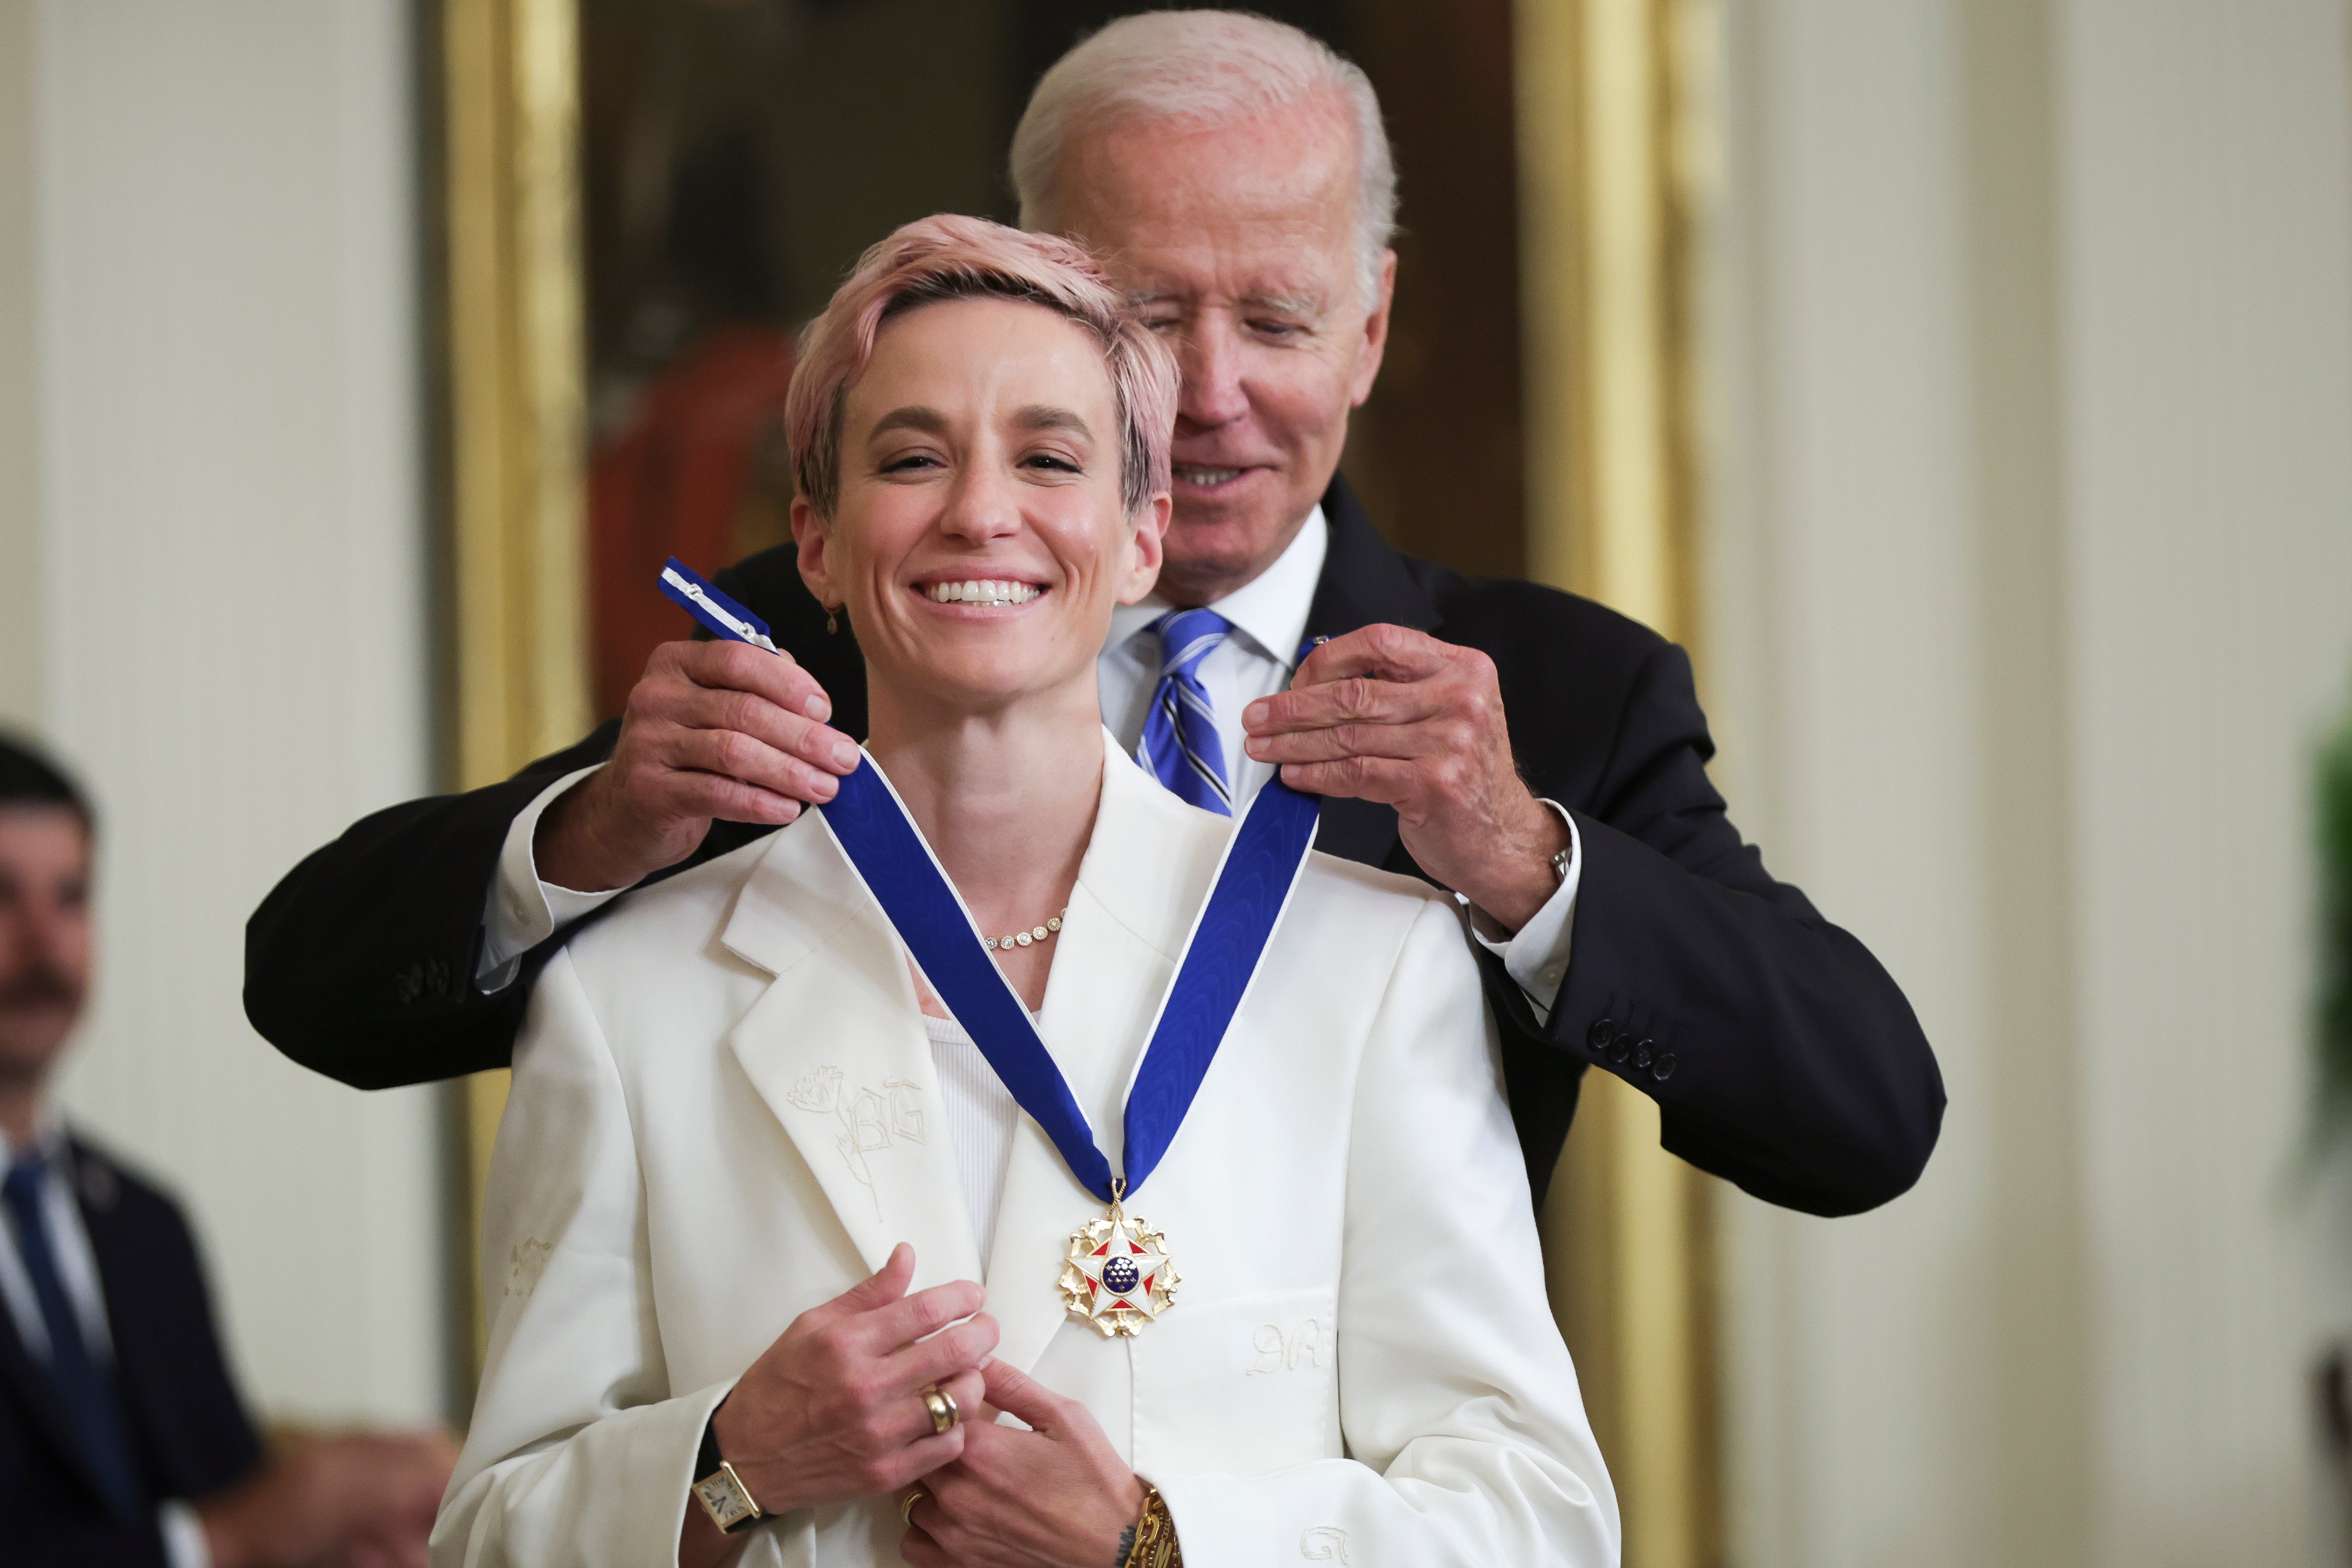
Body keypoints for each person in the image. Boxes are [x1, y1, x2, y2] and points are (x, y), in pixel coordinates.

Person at [248, 11, 1941, 1217]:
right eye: (1142, 315)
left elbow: (1864, 1116)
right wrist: (599, 829)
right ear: (1032, 291)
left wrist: (1520, 855)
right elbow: (312, 986)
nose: (1206, 398)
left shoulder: (1559, 691)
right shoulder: (827, 630)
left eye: (1275, 322)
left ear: (1369, 329)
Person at [433, 215, 1614, 1568]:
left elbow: (1541, 1517)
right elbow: (484, 1535)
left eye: (1050, 457)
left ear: (1142, 535)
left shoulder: (1367, 963)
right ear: (815, 540)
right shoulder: (624, 995)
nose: (981, 509)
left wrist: (1157, 1544)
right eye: (913, 456)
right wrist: (730, 1466)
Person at [0, 736, 456, 1567]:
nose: (44, 942)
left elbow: (232, 1493)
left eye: (71, 897)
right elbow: (235, 1529)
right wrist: (238, 1535)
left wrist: (345, 1536)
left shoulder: (145, 1224)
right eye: (2, 896)